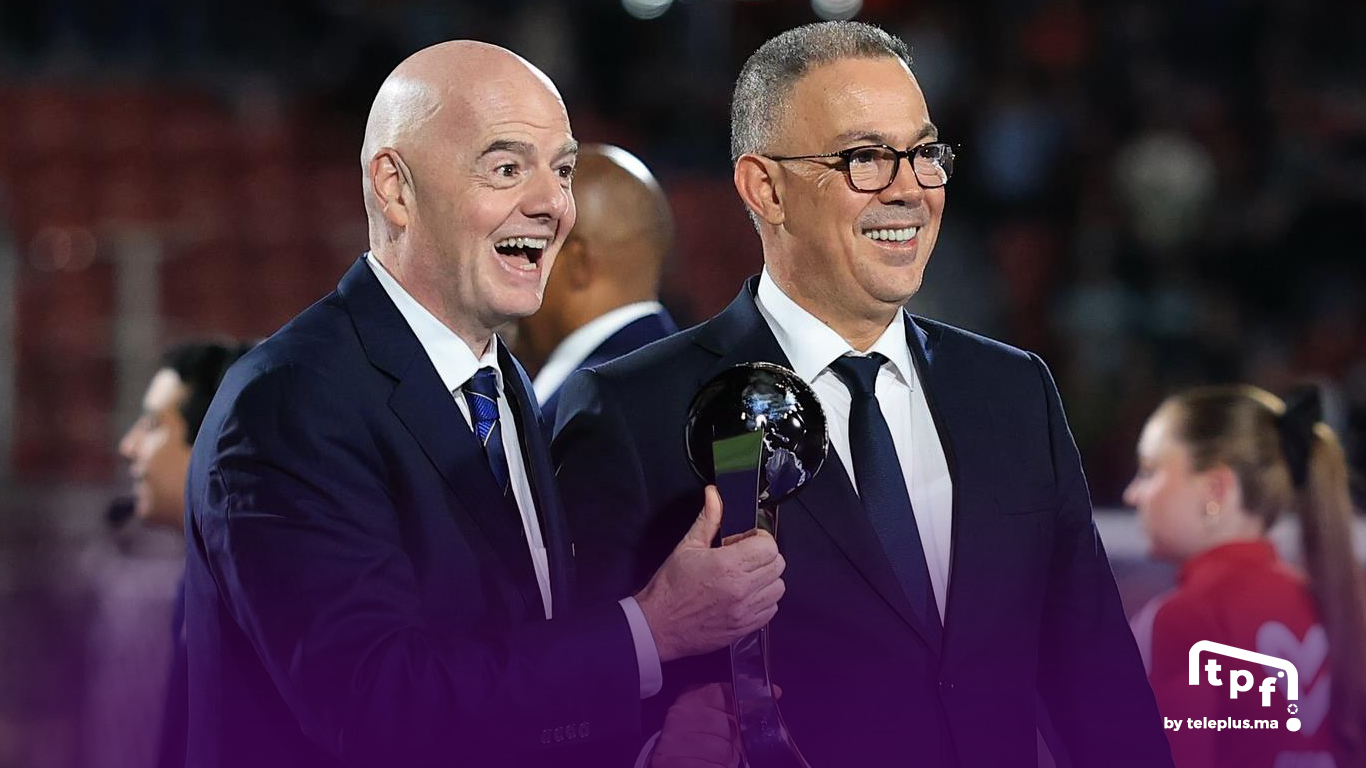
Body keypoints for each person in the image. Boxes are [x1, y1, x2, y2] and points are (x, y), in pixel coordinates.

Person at [552, 21, 1173, 767]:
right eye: (866, 158)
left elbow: (1100, 688)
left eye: (924, 153)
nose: (909, 189)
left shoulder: (1013, 392)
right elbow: (573, 702)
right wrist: (657, 750)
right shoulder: (632, 412)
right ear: (766, 189)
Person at [183, 41, 785, 768]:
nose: (552, 204)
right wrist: (650, 631)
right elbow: (377, 707)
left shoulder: (502, 381)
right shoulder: (289, 401)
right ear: (395, 189)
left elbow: (515, 664)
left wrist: (646, 750)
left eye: (562, 170)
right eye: (506, 169)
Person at [1125, 385, 1366, 768]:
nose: (1133, 494)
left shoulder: (1182, 618)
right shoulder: (1338, 603)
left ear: (1215, 489)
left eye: (1149, 471)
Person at [117, 339, 253, 768]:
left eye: (153, 424)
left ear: (213, 441)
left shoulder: (257, 606)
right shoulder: (197, 583)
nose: (129, 446)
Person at [514, 143, 678, 430]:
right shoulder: (699, 380)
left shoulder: (588, 408)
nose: (517, 269)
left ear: (577, 263)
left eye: (530, 247)